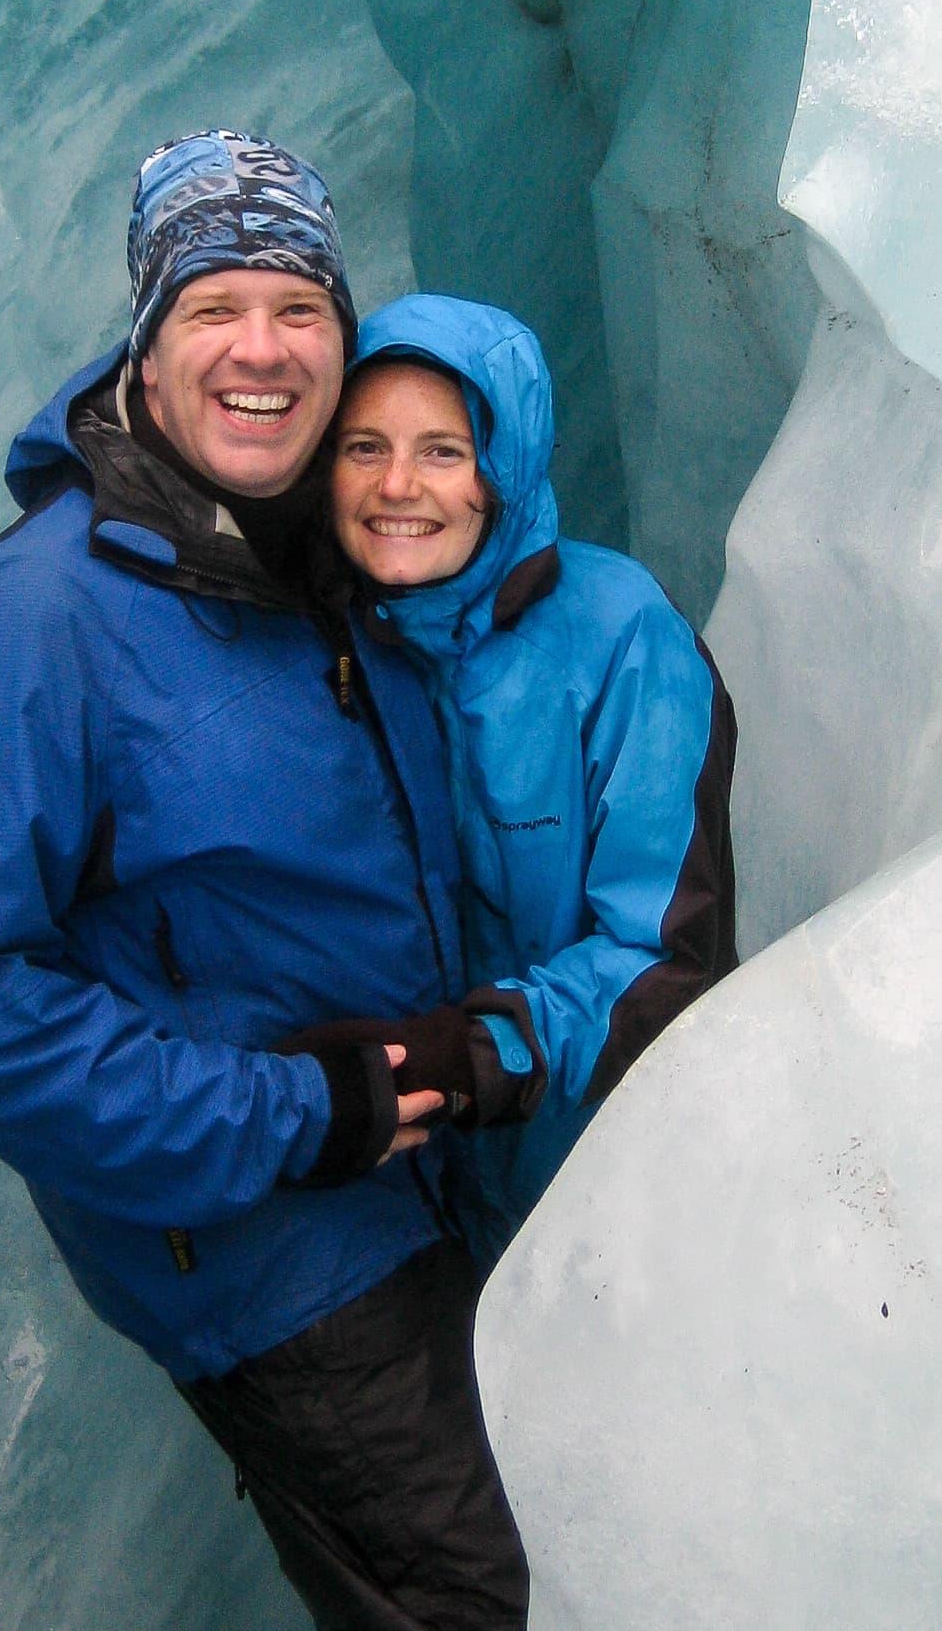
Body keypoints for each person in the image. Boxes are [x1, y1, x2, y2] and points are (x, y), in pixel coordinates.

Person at [0, 136, 544, 1631]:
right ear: (146, 343)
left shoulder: (304, 560)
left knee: (465, 1627)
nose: (264, 345)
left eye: (300, 304)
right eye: (219, 304)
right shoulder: (42, 618)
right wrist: (286, 1116)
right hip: (259, 1238)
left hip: (404, 1184)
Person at [286, 294, 738, 1266]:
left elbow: (665, 954)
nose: (397, 484)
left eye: (442, 451)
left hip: (600, 1193)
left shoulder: (622, 638)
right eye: (364, 446)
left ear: (504, 468)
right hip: (401, 1198)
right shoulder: (328, 646)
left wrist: (478, 1055)